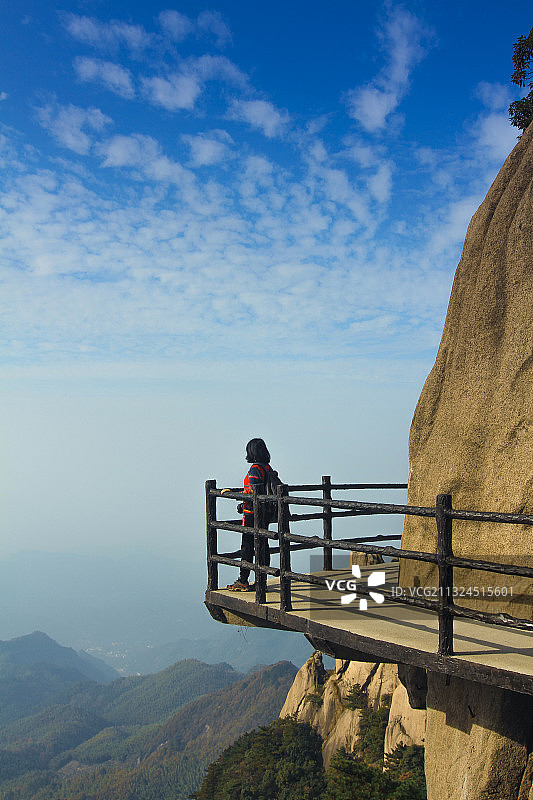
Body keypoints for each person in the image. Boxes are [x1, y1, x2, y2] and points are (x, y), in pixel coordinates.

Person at [226, 438, 276, 591]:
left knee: (247, 546)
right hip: (265, 513)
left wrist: (239, 501)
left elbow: (252, 492)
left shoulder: (255, 469)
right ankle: (262, 581)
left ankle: (243, 581)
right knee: (263, 546)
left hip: (252, 514)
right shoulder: (267, 467)